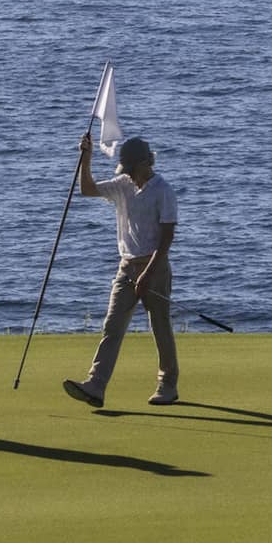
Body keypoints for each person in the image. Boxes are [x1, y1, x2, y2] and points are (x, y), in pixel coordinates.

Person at [63, 132, 179, 409]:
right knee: (112, 325)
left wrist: (147, 274)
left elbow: (166, 239)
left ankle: (167, 385)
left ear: (145, 164)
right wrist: (86, 158)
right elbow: (87, 189)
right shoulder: (123, 184)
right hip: (126, 267)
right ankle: (96, 385)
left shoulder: (163, 191)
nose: (129, 175)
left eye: (131, 170)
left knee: (160, 326)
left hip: (155, 266)